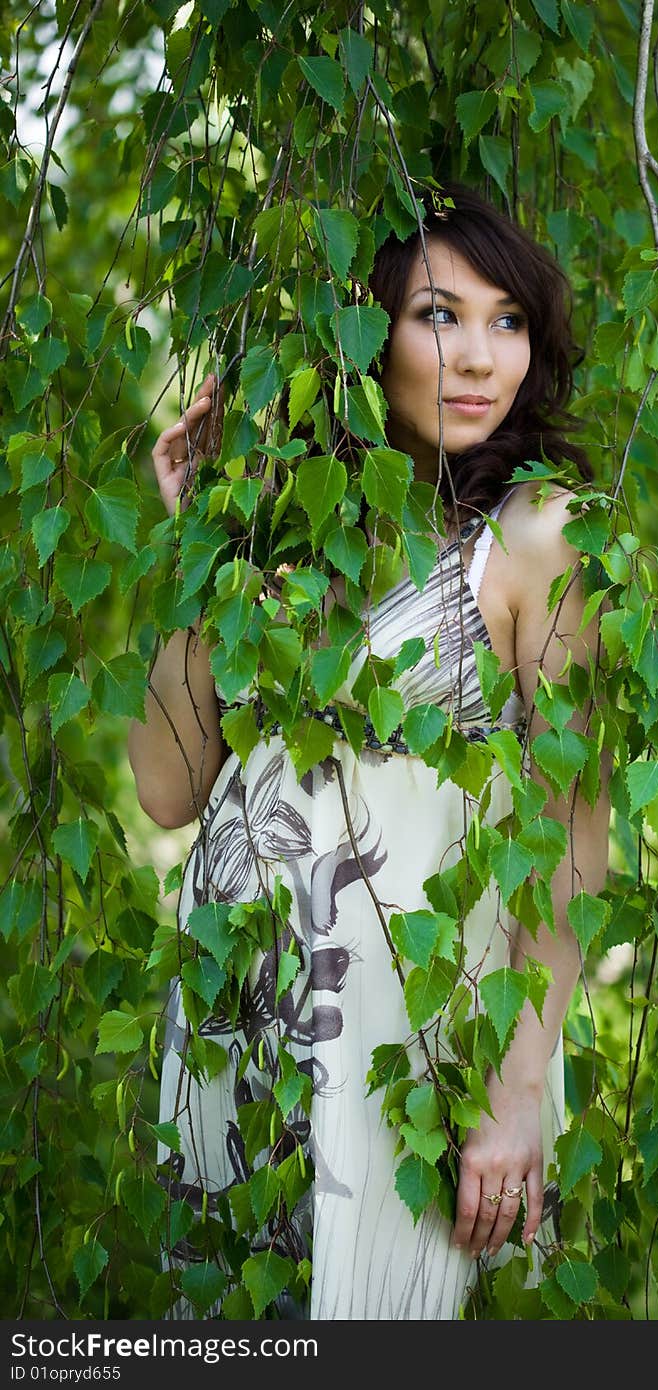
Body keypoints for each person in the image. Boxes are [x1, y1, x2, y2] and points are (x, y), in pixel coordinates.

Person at [128, 185, 610, 1320]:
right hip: (241, 1033)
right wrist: (206, 543)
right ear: (364, 333)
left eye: (508, 321)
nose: (481, 355)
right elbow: (166, 789)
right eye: (440, 316)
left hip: (415, 1059)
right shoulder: (292, 532)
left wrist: (519, 1083)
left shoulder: (538, 536)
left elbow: (577, 839)